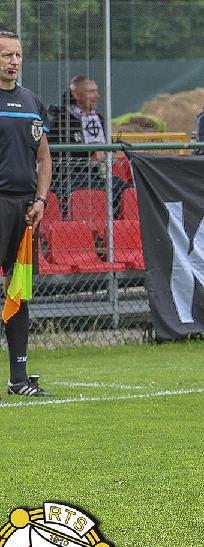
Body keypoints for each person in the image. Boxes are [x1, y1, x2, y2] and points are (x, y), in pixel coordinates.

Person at [0, 31, 52, 397]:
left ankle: (19, 379)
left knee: (19, 292)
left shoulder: (32, 101)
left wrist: (41, 200)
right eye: (6, 55)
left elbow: (44, 158)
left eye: (17, 54)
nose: (13, 61)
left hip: (26, 210)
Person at [46, 75, 130, 203]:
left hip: (98, 176)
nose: (97, 96)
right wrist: (89, 158)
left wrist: (109, 154)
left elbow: (109, 146)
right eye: (91, 91)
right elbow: (54, 154)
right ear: (76, 94)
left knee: (127, 189)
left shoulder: (99, 119)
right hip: (69, 178)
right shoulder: (61, 120)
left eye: (96, 91)